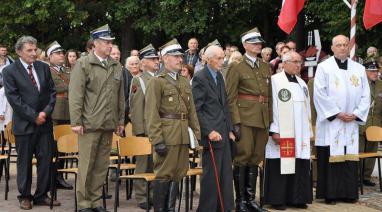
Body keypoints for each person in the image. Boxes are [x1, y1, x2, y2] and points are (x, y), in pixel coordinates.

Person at [69, 24, 125, 212]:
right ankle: (84, 203)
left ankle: (95, 201)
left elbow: (120, 96)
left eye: (111, 43)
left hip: (108, 124)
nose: (110, 46)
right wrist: (76, 122)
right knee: (86, 166)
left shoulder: (116, 65)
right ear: (96, 44)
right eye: (107, 42)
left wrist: (120, 121)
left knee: (101, 166)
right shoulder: (84, 64)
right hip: (89, 124)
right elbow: (76, 94)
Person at [3, 35, 59, 209]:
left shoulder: (43, 67)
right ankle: (25, 196)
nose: (34, 53)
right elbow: (14, 99)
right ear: (19, 52)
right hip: (25, 125)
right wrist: (34, 116)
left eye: (35, 49)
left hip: (45, 124)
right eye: (29, 50)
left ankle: (42, 195)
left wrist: (45, 112)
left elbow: (52, 93)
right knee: (24, 163)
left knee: (45, 160)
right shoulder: (9, 71)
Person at [145, 38, 201, 211]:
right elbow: (151, 113)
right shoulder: (157, 81)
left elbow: (191, 111)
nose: (180, 59)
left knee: (178, 174)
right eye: (175, 56)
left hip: (183, 134)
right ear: (165, 58)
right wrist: (157, 140)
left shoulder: (184, 81)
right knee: (164, 175)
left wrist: (198, 136)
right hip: (167, 136)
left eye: (180, 56)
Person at [314, 35, 370, 205]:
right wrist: (336, 113)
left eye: (345, 45)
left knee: (349, 156)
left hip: (351, 122)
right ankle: (330, 194)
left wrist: (357, 113)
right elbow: (319, 94)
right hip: (332, 122)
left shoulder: (359, 69)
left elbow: (366, 95)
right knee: (332, 156)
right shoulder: (324, 67)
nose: (343, 48)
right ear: (332, 48)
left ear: (349, 47)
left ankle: (349, 193)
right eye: (339, 45)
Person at [225, 27, 271, 212]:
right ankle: (241, 202)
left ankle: (251, 200)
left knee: (255, 158)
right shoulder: (236, 66)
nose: (258, 45)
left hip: (262, 119)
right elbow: (230, 97)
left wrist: (271, 119)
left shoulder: (265, 66)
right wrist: (235, 122)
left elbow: (269, 96)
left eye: (259, 42)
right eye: (254, 42)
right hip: (244, 118)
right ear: (245, 45)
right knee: (242, 158)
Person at [264, 51, 313, 210]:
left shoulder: (302, 83)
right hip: (282, 131)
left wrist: (308, 131)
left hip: (300, 132)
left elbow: (307, 110)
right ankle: (278, 200)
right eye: (295, 62)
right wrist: (274, 130)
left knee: (299, 162)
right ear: (284, 63)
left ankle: (297, 198)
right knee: (281, 164)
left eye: (300, 62)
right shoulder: (274, 81)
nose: (299, 65)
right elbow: (272, 108)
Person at [193, 44, 236, 212]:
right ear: (208, 59)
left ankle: (223, 207)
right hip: (211, 133)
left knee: (225, 174)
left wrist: (230, 129)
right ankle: (207, 209)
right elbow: (197, 109)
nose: (222, 61)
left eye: (222, 57)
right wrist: (209, 131)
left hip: (224, 132)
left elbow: (225, 106)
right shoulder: (200, 77)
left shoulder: (219, 76)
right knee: (211, 176)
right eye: (218, 58)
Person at [129, 44, 160, 209]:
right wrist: (139, 132)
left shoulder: (161, 77)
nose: (156, 61)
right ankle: (142, 196)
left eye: (156, 58)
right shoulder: (138, 80)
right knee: (143, 164)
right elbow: (136, 107)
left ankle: (154, 194)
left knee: (156, 163)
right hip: (145, 130)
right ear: (143, 63)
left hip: (159, 129)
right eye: (152, 59)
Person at [46, 41, 73, 190]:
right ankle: (51, 177)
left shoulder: (67, 70)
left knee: (64, 146)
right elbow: (56, 88)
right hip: (55, 111)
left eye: (62, 53)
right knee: (53, 146)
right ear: (50, 56)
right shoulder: (47, 70)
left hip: (68, 111)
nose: (62, 55)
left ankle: (59, 176)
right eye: (58, 53)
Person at [359, 59, 382, 187]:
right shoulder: (360, 84)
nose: (375, 73)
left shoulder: (380, 85)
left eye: (376, 70)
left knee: (372, 151)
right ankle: (357, 177)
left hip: (376, 122)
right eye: (372, 71)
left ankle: (366, 177)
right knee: (360, 151)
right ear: (365, 71)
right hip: (362, 123)